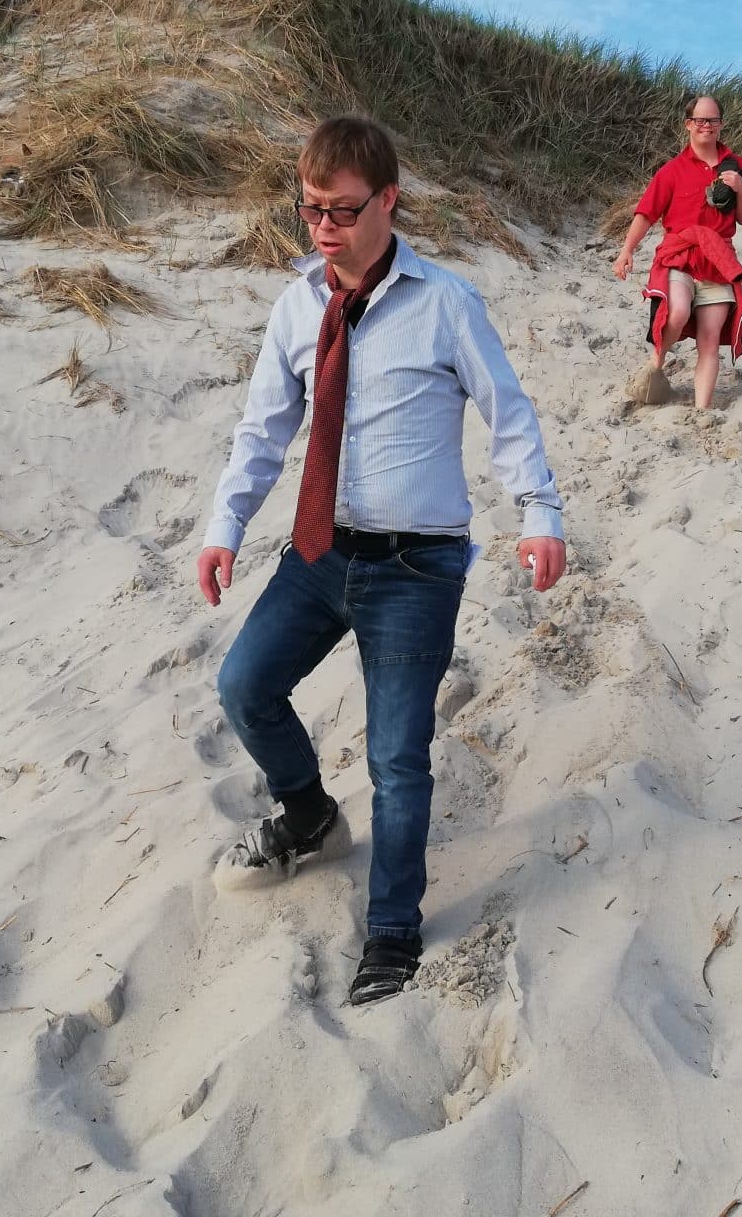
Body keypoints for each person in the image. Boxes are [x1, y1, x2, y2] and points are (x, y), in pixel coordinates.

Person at [196, 116, 567, 1006]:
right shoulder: (297, 308)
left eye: (342, 210)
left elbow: (507, 412)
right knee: (245, 686)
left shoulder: (446, 304)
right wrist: (223, 526)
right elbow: (262, 433)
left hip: (416, 568)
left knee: (398, 758)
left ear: (388, 201)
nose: (323, 227)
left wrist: (540, 511)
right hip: (320, 553)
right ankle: (309, 816)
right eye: (309, 209)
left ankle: (393, 928)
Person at [612, 94, 742, 409]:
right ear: (688, 124)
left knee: (710, 339)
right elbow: (646, 214)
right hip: (679, 256)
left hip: (718, 260)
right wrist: (626, 251)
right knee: (677, 311)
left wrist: (740, 189)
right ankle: (656, 363)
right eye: (700, 120)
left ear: (721, 124)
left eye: (713, 120)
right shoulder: (672, 171)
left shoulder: (740, 168)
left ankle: (702, 410)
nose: (707, 125)